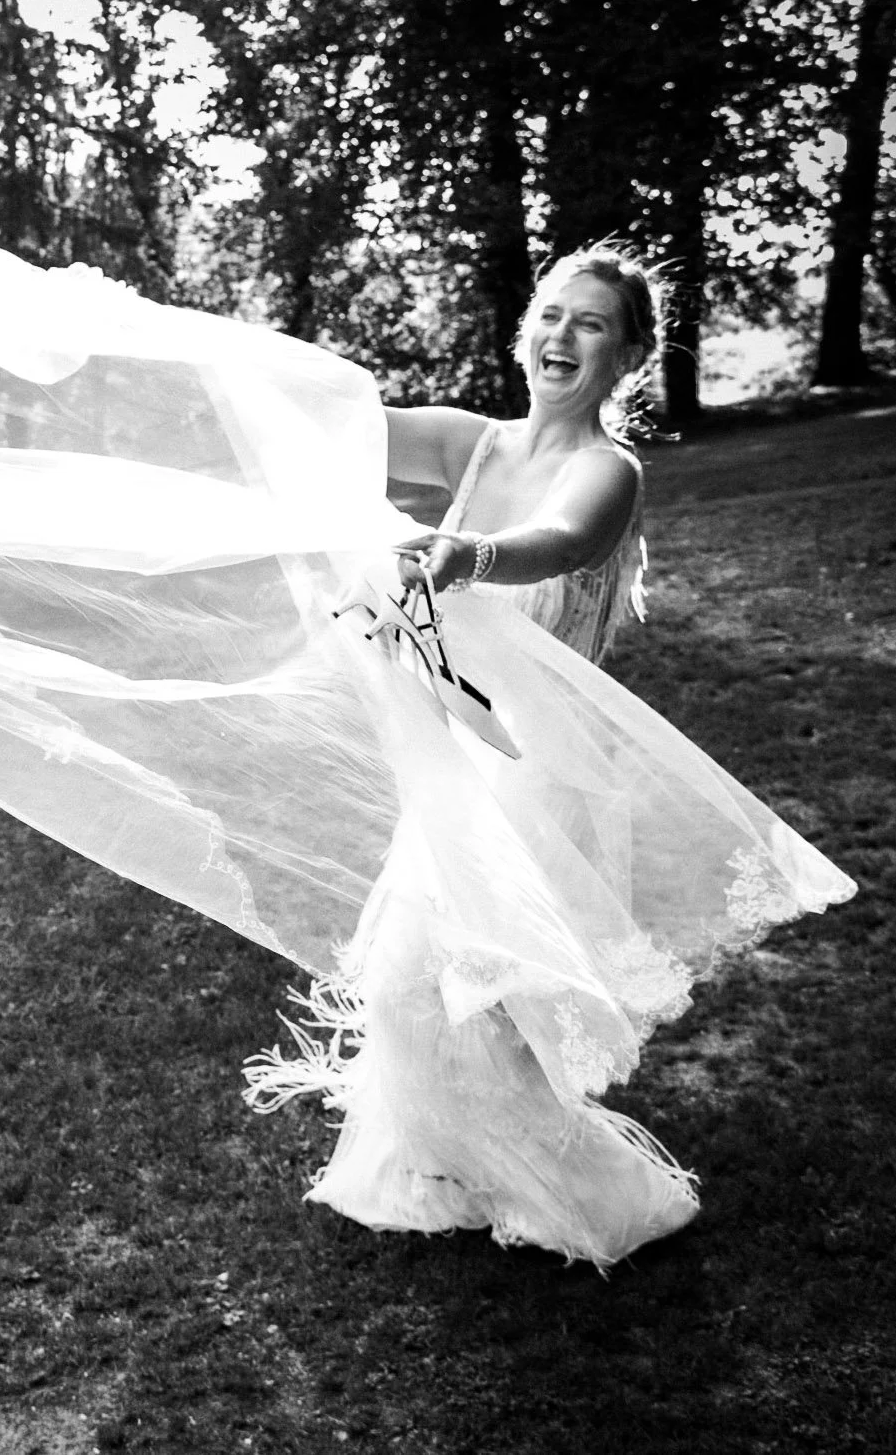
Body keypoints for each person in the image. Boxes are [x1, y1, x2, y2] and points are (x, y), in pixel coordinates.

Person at [248, 245, 702, 1264]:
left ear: (629, 353)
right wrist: (183, 345)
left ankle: (577, 1190)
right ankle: (450, 1165)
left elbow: (563, 540)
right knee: (414, 985)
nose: (560, 335)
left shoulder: (609, 469)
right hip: (460, 760)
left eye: (590, 324)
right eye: (550, 312)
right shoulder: (475, 443)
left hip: (541, 772)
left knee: (482, 993)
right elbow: (327, 419)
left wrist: (473, 554)